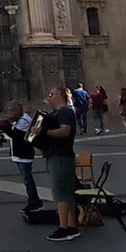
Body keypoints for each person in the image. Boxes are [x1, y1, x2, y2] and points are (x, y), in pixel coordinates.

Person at [28, 87, 79, 241]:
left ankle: (63, 228)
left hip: (60, 156)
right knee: (66, 193)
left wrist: (43, 132)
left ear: (60, 96)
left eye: (51, 94)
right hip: (58, 155)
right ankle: (72, 226)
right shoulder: (57, 114)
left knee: (60, 193)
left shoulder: (64, 112)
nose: (49, 98)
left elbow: (65, 131)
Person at [0, 100, 43, 213]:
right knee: (26, 179)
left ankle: (34, 201)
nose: (10, 114)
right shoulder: (19, 119)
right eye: (9, 111)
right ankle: (33, 200)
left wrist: (3, 127)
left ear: (19, 110)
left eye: (12, 111)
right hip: (19, 153)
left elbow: (17, 135)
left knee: (28, 179)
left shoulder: (24, 120)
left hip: (24, 153)